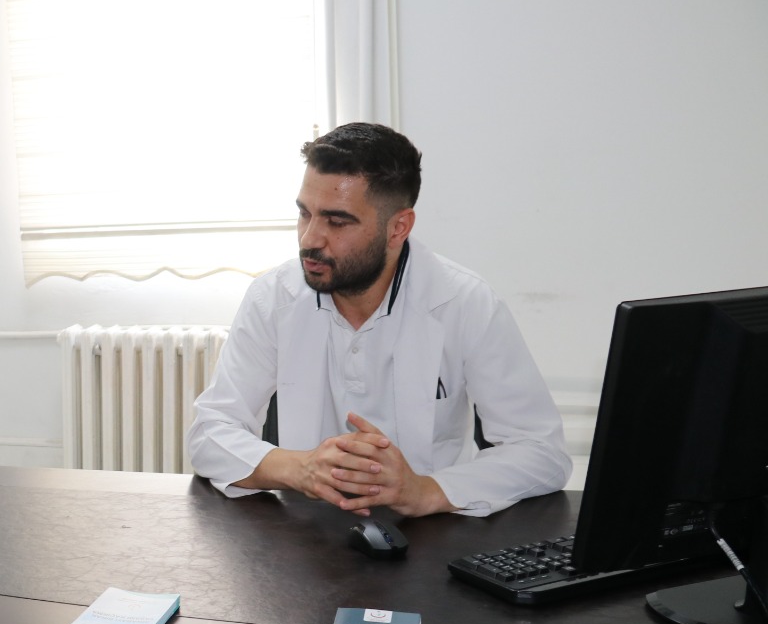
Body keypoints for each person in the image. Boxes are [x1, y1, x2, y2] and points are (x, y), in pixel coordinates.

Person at [188, 122, 571, 517]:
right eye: (305, 213)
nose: (309, 239)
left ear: (398, 228)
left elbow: (542, 453)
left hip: (432, 532)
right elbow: (209, 432)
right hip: (301, 533)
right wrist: (301, 469)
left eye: (337, 222)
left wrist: (426, 490)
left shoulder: (465, 302)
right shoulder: (272, 298)